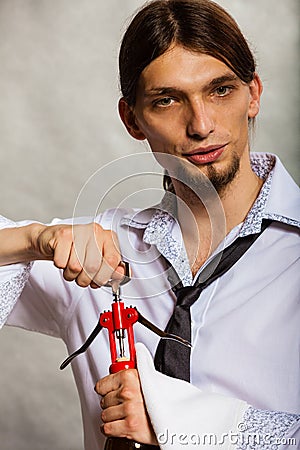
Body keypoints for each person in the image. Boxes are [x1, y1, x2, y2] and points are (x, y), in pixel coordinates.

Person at [0, 0, 299, 449]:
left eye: (220, 90)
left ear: (253, 93)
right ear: (132, 119)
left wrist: (174, 419)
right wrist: (32, 239)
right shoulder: (94, 255)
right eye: (167, 100)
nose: (201, 124)